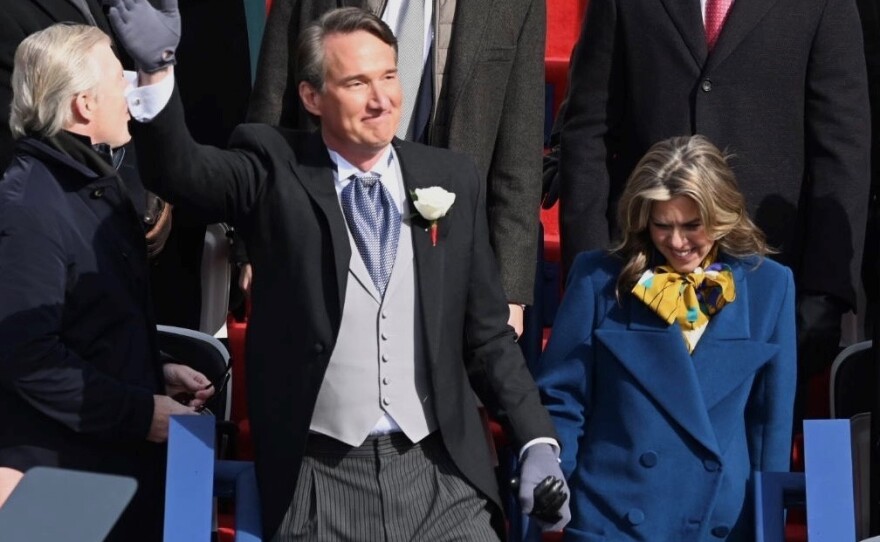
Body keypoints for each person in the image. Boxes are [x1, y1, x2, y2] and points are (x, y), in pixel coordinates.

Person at [106, 2, 569, 540]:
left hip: (440, 478)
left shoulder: (450, 177)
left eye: (389, 77)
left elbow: (488, 335)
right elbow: (182, 172)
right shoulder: (273, 167)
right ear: (311, 97)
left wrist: (537, 441)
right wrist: (157, 74)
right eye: (356, 83)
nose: (382, 100)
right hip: (320, 480)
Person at [556, 0, 870, 429]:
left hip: (759, 284)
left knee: (746, 471)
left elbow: (842, 147)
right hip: (642, 276)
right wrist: (592, 268)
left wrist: (825, 293)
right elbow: (588, 129)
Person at [0, 24, 213, 540]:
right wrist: (140, 413)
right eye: (118, 77)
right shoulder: (27, 206)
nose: (130, 91)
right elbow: (30, 357)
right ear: (83, 105)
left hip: (110, 469)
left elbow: (94, 322)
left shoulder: (96, 186)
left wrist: (154, 368)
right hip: (61, 484)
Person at [537, 135, 795, 541]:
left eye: (693, 226)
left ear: (722, 215)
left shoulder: (769, 287)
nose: (677, 242)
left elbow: (770, 425)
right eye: (663, 225)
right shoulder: (599, 280)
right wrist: (553, 477)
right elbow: (562, 397)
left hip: (721, 523)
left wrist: (768, 526)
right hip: (615, 519)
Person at [241, 0, 546, 337]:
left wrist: (509, 291)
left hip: (444, 250)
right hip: (323, 236)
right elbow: (274, 102)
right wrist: (256, 240)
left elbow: (519, 146)